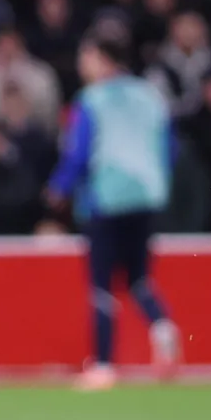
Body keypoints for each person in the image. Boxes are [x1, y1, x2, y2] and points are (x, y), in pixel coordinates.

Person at [46, 39, 182, 390]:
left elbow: (79, 151)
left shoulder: (91, 100)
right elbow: (170, 146)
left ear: (104, 60)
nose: (82, 64)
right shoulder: (150, 96)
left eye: (87, 56)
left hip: (105, 199)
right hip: (147, 197)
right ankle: (162, 326)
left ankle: (104, 365)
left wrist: (59, 187)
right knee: (138, 278)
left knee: (101, 285)